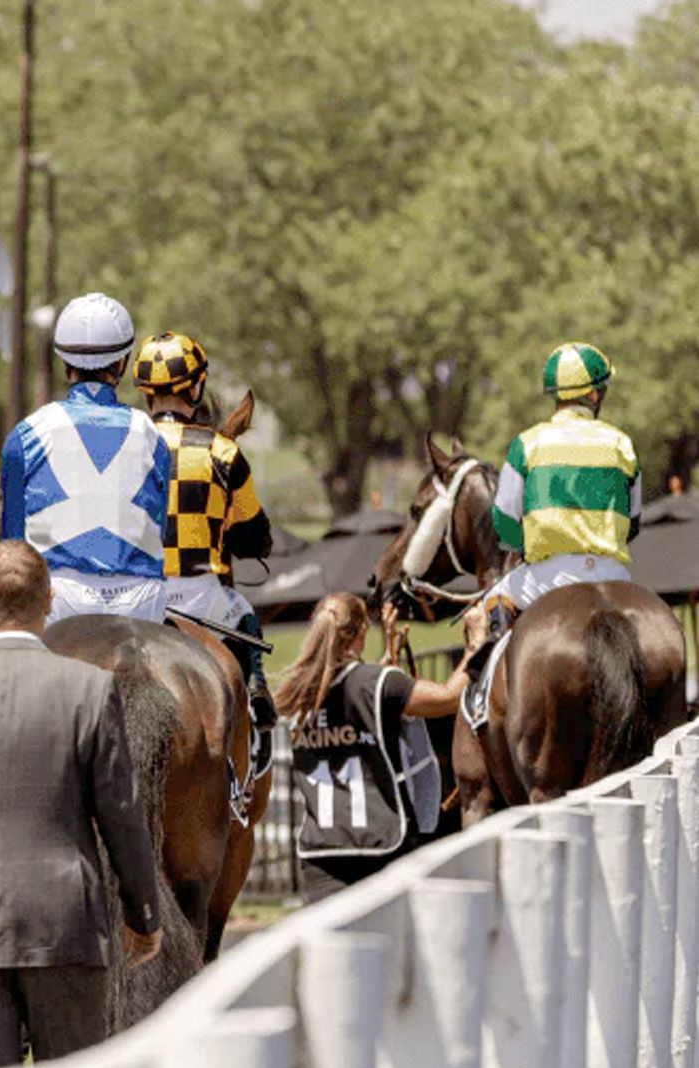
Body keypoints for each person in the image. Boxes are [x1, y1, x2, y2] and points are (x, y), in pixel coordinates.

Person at [0, 541, 162, 1068]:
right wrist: (144, 913)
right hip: (65, 924)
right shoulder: (88, 689)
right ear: (49, 602)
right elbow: (121, 812)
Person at [134, 331, 278, 771]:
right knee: (244, 615)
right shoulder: (223, 451)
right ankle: (256, 696)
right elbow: (257, 538)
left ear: (145, 394)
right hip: (203, 598)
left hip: (135, 596)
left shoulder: (126, 446)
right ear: (195, 389)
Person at [275, 592, 481, 899]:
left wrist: (387, 663)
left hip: (320, 855)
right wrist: (476, 644)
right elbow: (448, 698)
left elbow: (356, 696)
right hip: (380, 846)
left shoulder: (296, 694)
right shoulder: (380, 683)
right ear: (360, 632)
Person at [0, 293, 173, 626]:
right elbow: (159, 529)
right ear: (123, 363)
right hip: (142, 600)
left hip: (60, 600)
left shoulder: (26, 434)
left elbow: (13, 549)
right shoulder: (151, 434)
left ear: (64, 363)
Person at [479, 342, 641, 630]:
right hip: (613, 576)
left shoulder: (526, 444)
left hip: (545, 577)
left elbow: (503, 519)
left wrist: (525, 546)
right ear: (594, 393)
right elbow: (633, 525)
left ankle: (485, 668)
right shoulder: (622, 444)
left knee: (491, 602)